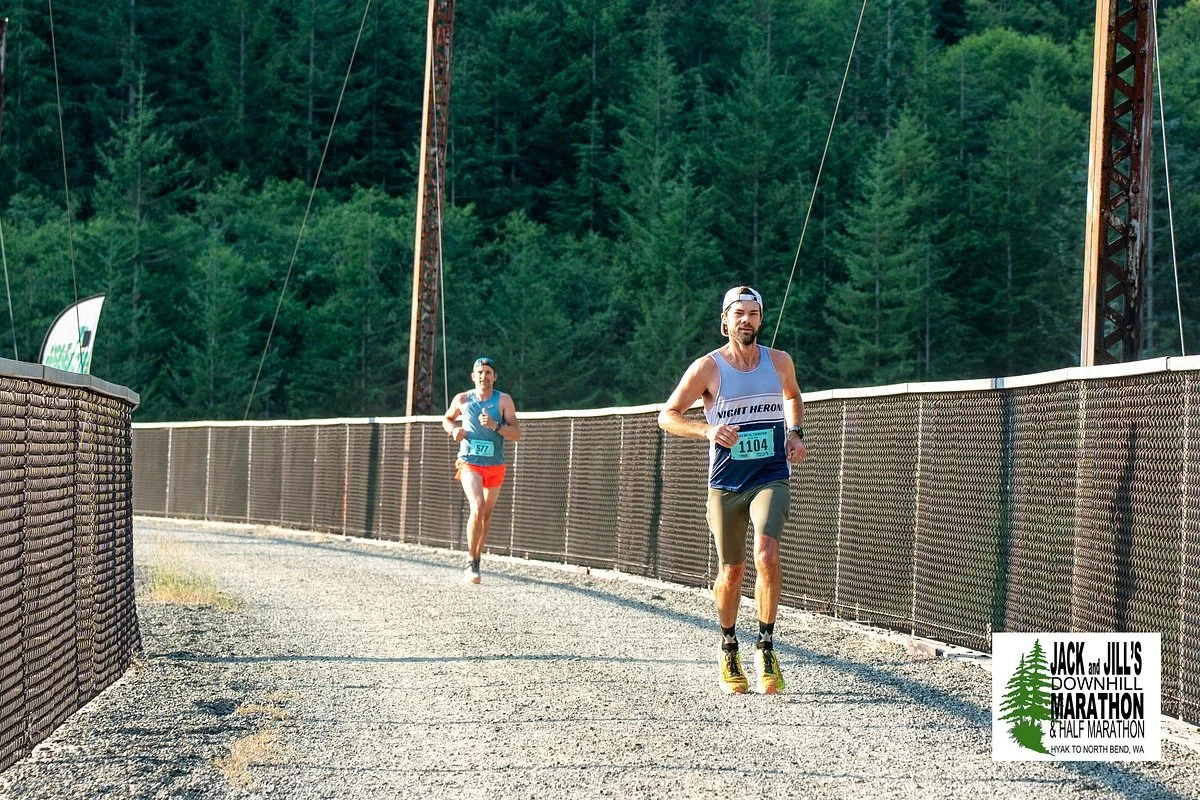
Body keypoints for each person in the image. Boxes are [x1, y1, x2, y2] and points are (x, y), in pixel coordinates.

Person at [658, 286, 807, 694]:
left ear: (761, 319)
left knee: (767, 552)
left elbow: (792, 396)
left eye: (753, 313)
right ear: (724, 321)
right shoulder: (708, 368)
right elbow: (667, 416)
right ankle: (728, 646)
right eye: (738, 313)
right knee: (732, 569)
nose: (746, 320)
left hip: (770, 475)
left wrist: (794, 433)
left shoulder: (779, 361)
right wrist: (707, 430)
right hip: (726, 483)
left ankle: (766, 646)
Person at [441, 356, 521, 584]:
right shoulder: (463, 399)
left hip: (495, 464)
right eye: (480, 372)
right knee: (478, 506)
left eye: (488, 372)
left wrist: (495, 426)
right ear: (473, 376)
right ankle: (471, 560)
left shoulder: (503, 401)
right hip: (469, 462)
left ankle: (477, 557)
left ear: (494, 377)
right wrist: (453, 430)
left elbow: (517, 434)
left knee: (486, 514)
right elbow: (447, 419)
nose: (484, 376)